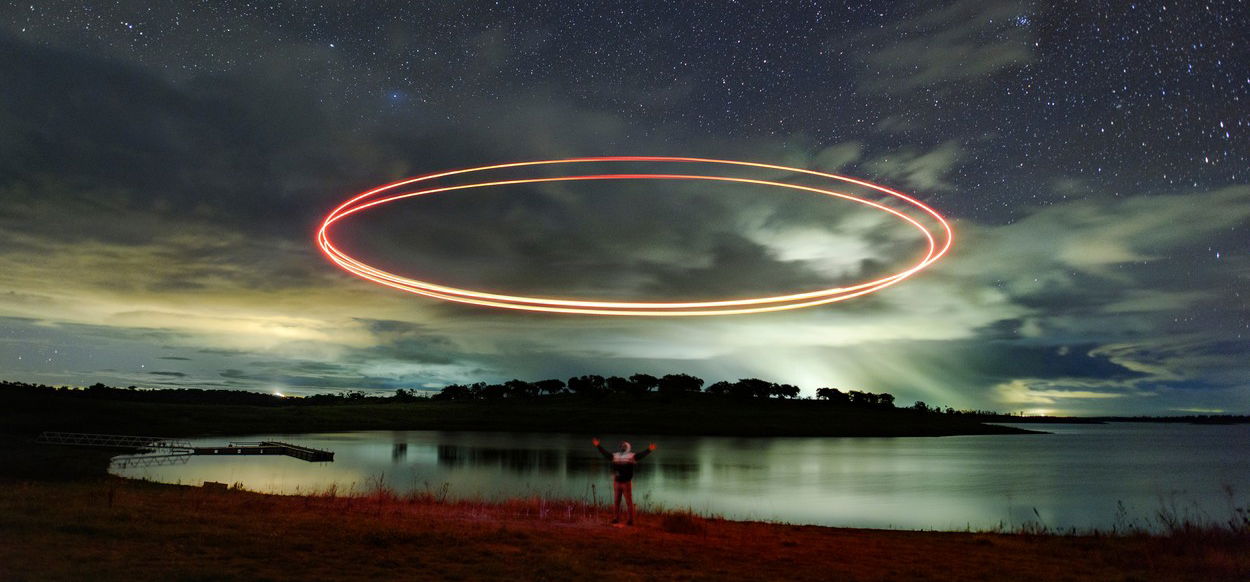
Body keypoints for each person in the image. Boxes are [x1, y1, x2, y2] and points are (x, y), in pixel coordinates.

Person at [592, 437, 656, 526]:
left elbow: (641, 455)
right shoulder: (616, 455)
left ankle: (630, 520)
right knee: (616, 502)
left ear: (628, 447)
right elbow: (606, 454)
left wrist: (649, 450)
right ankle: (616, 519)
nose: (622, 447)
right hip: (617, 482)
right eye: (622, 446)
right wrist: (598, 446)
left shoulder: (631, 456)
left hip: (626, 482)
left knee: (628, 502)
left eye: (624, 446)